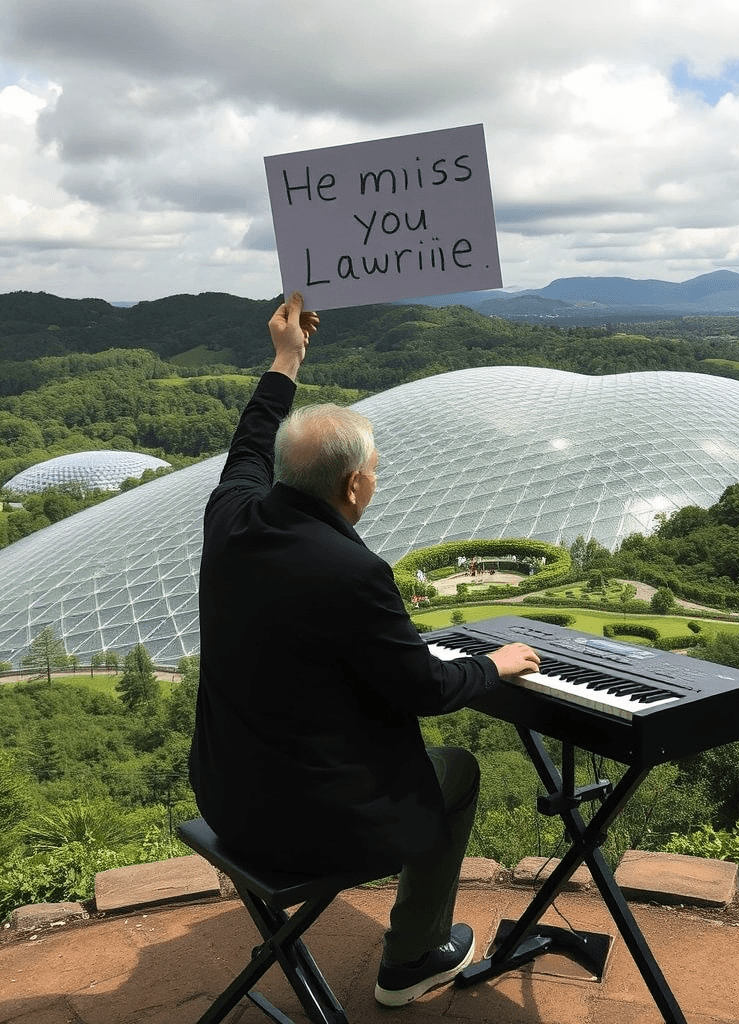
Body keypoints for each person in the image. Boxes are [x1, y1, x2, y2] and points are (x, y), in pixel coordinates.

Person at [188, 292, 539, 1007]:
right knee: (457, 771)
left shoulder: (229, 519)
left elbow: (250, 441)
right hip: (303, 826)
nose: (375, 480)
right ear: (354, 484)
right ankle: (410, 959)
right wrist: (495, 664)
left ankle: (411, 951)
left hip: (226, 798)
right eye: (374, 471)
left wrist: (286, 360)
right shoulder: (355, 573)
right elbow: (426, 692)